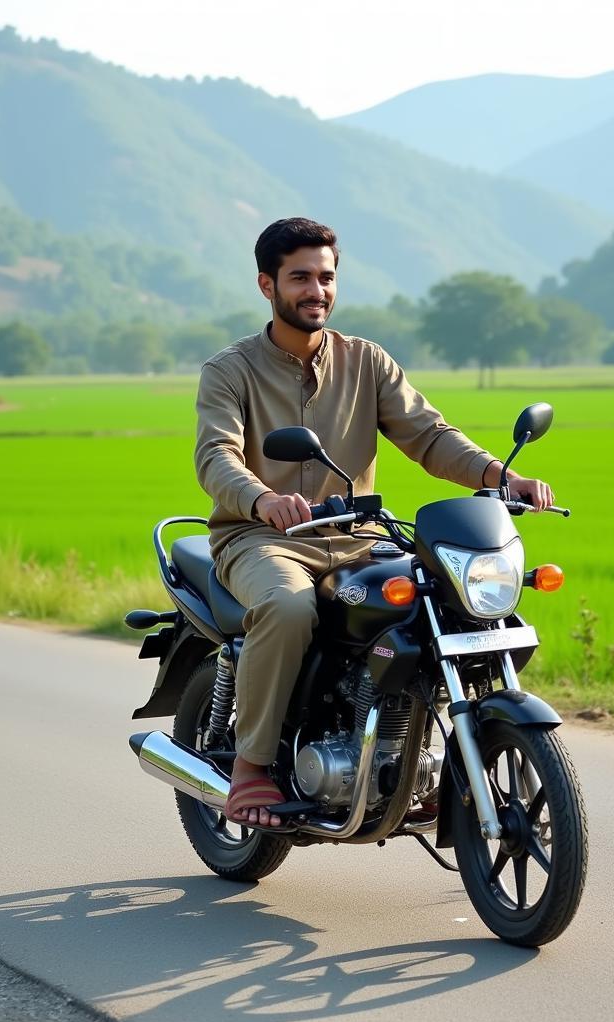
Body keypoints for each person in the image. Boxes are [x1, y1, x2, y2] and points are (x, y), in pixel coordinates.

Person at [194, 218, 554, 828]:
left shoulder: (367, 362)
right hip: (262, 538)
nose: (317, 291)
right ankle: (253, 768)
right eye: (301, 277)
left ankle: (422, 754)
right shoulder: (231, 370)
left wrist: (501, 477)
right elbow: (216, 456)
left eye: (327, 277)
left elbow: (430, 436)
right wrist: (261, 499)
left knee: (444, 604)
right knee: (286, 607)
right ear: (267, 284)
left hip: (358, 539)